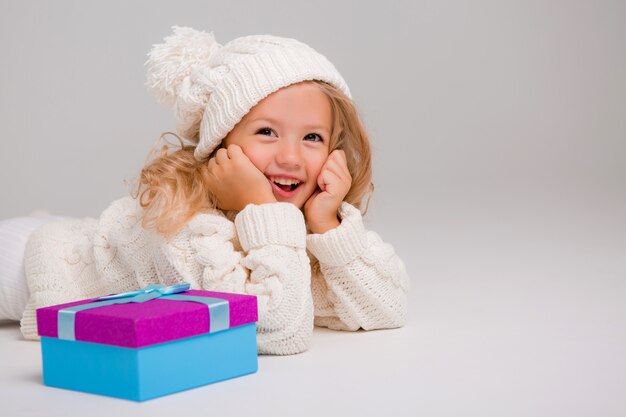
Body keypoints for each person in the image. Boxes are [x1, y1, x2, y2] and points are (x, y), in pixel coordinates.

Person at [0, 26, 410, 355]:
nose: (291, 157)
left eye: (313, 138)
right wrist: (262, 207)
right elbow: (277, 332)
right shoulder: (189, 220)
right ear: (220, 143)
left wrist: (327, 225)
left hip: (91, 235)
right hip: (41, 260)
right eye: (266, 131)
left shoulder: (307, 216)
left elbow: (385, 307)